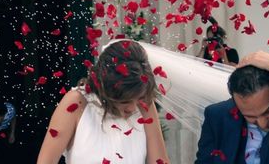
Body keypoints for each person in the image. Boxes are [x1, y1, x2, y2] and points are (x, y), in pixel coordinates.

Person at [37, 40, 170, 164]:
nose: (133, 107)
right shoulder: (76, 102)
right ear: (107, 88)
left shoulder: (144, 103)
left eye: (139, 99)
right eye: (125, 101)